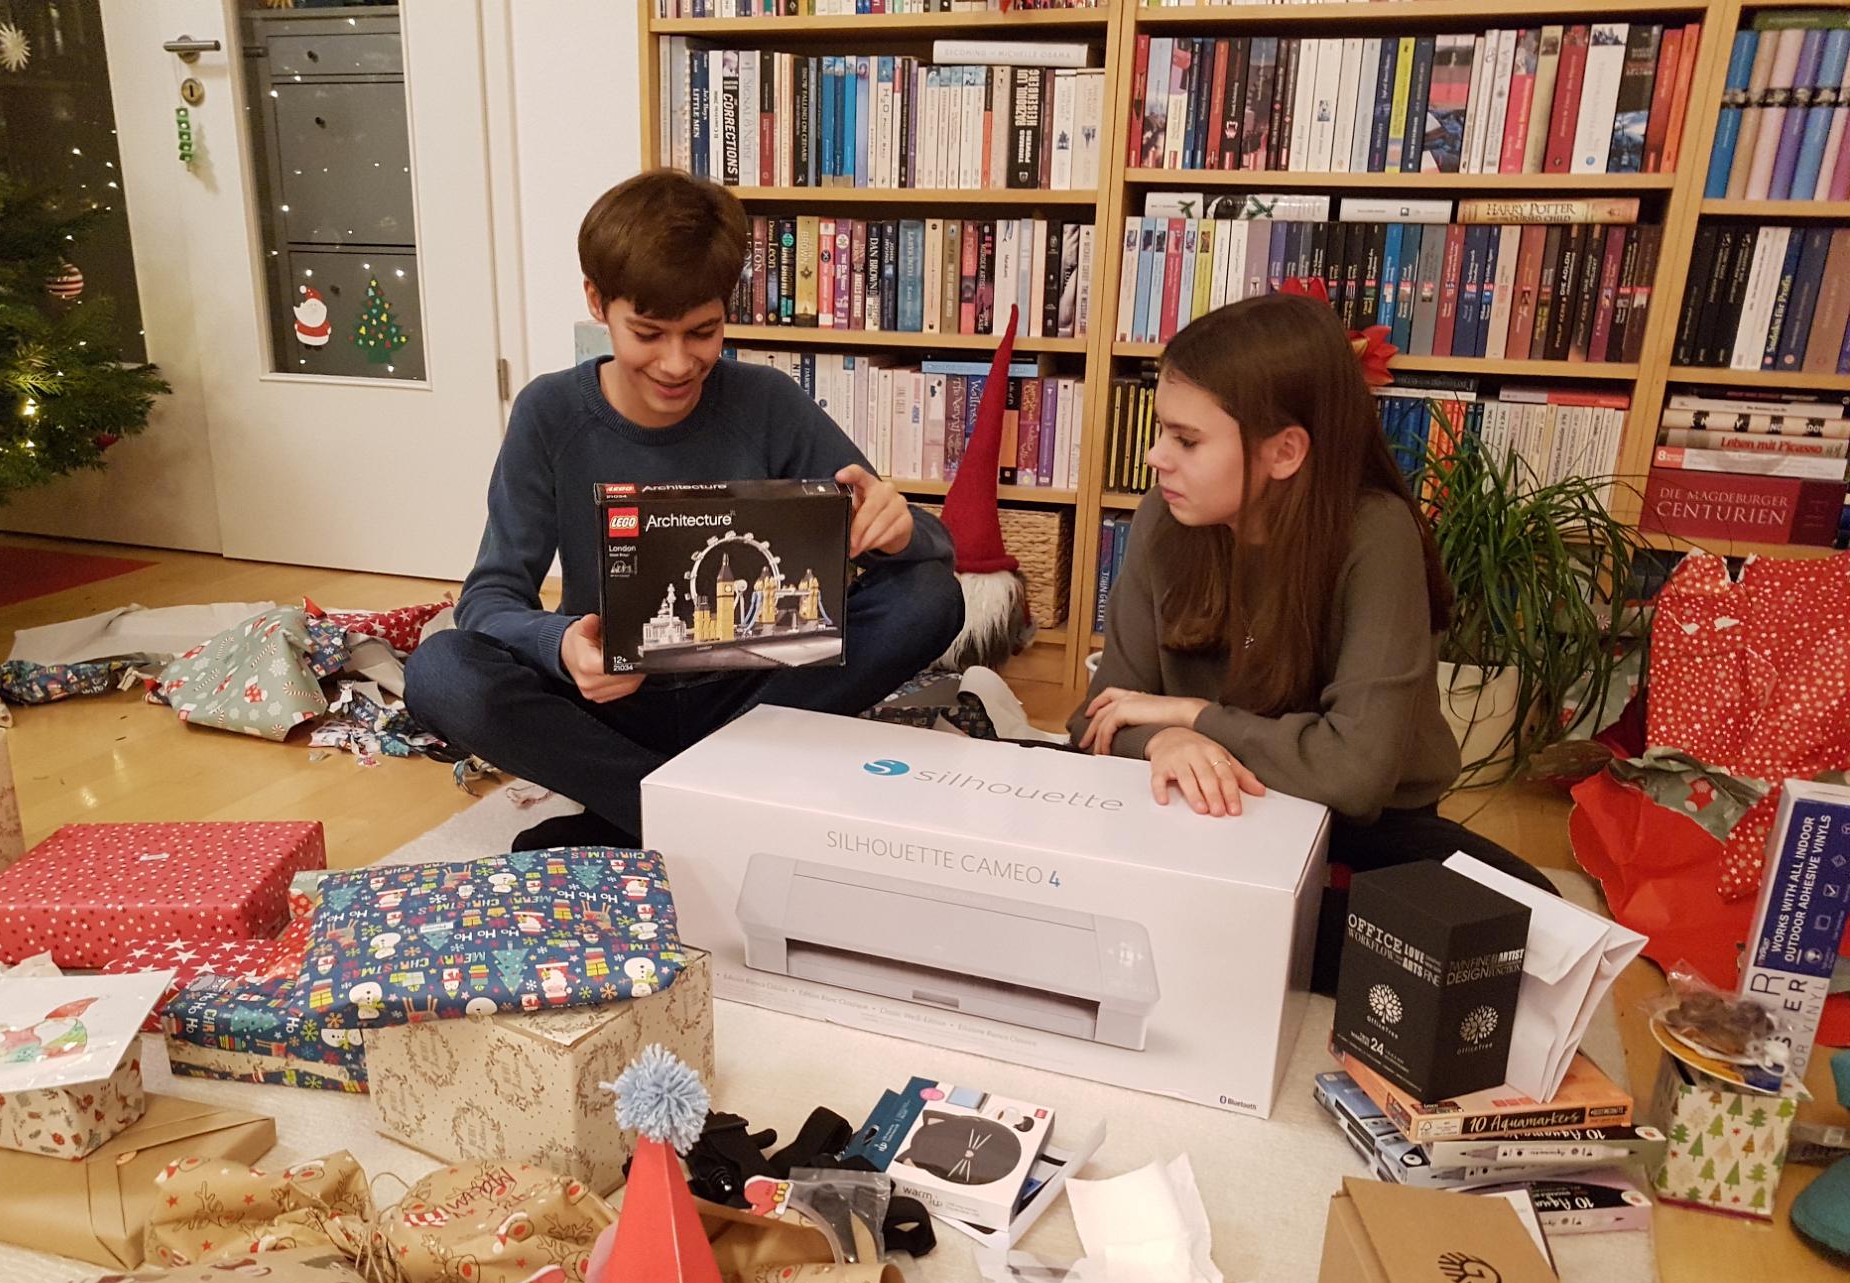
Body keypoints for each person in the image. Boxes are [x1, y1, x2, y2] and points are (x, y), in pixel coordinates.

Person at [407, 171, 962, 849]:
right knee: (440, 670)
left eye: (703, 332)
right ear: (596, 301)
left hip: (754, 700)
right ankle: (686, 809)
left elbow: (928, 551)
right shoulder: (549, 413)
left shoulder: (767, 402)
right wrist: (561, 645)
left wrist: (898, 530)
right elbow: (489, 598)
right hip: (611, 705)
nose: (677, 364)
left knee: (930, 596)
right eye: (648, 333)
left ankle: (637, 813)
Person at [1066, 294, 1550, 990]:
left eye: (1187, 440)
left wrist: (1194, 717)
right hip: (1205, 806)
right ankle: (1235, 935)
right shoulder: (1164, 518)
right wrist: (1165, 742)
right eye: (1162, 432)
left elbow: (1354, 777)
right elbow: (1099, 717)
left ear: (1285, 451)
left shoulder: (1376, 535)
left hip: (1356, 828)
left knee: (1537, 927)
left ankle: (1216, 933)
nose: (1155, 458)